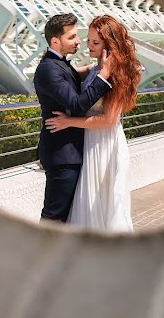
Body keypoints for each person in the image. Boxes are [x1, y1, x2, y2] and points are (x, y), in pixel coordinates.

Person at [45, 15, 141, 231]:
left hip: (103, 145)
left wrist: (68, 121)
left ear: (110, 46)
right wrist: (50, 61)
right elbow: (67, 74)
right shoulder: (96, 68)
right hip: (89, 141)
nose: (87, 45)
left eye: (95, 43)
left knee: (100, 201)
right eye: (88, 40)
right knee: (87, 202)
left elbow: (108, 121)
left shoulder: (116, 75)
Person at [34, 14, 113, 223]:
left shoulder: (60, 64)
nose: (79, 41)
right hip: (62, 155)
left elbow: (74, 77)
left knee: (65, 216)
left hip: (71, 153)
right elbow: (77, 105)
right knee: (54, 217)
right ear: (55, 41)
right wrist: (103, 76)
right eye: (72, 37)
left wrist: (96, 68)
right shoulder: (49, 69)